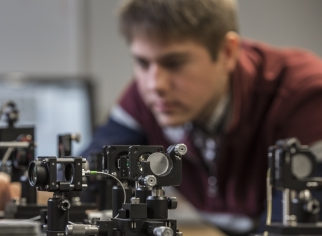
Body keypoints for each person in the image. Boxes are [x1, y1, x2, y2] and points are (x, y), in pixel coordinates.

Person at [81, 0, 322, 235]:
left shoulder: (304, 96)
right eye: (142, 63)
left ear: (227, 52)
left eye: (174, 63)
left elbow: (297, 224)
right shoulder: (145, 99)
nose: (155, 85)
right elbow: (85, 182)